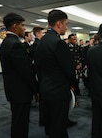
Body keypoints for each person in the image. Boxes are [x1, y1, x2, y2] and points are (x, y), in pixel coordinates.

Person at [35, 10, 75, 138]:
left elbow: (38, 67)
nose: (66, 27)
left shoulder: (42, 41)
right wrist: (73, 83)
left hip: (45, 87)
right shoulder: (58, 43)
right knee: (59, 124)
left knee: (51, 123)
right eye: (66, 24)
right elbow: (68, 69)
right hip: (58, 90)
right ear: (59, 24)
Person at [0, 13, 39, 138]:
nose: (24, 28)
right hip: (20, 91)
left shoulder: (6, 42)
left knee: (17, 121)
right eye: (22, 25)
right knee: (20, 123)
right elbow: (25, 71)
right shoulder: (15, 44)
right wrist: (36, 89)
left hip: (13, 89)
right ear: (15, 26)